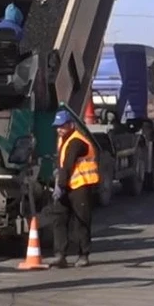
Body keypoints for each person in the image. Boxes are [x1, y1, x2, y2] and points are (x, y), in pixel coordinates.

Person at [48, 110, 100, 269]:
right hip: (68, 185)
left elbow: (69, 165)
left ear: (70, 125)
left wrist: (60, 186)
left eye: (62, 126)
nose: (59, 129)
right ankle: (60, 255)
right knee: (59, 219)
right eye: (57, 127)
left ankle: (83, 255)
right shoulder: (63, 139)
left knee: (81, 221)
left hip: (80, 186)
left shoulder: (76, 141)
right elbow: (62, 164)